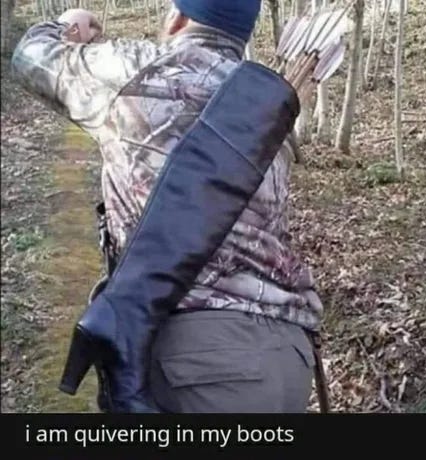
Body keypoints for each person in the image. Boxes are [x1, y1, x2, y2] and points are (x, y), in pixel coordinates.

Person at [11, 0, 324, 413]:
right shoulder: (266, 105)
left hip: (201, 362)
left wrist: (67, 24)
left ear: (178, 18)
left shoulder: (138, 67)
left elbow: (29, 55)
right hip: (289, 354)